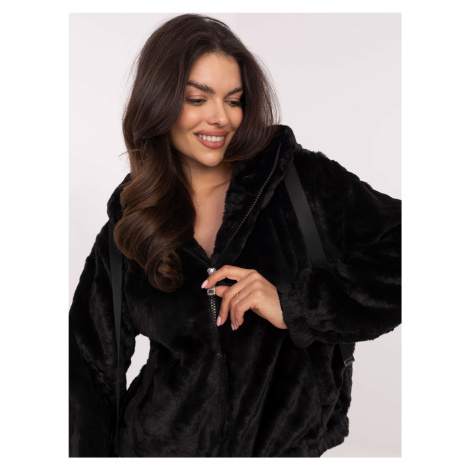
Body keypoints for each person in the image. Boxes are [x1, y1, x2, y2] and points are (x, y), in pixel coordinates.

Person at [69, 14, 401, 457]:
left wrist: (296, 306)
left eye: (234, 100)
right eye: (197, 98)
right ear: (159, 101)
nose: (220, 118)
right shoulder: (132, 221)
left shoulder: (299, 183)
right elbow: (88, 372)